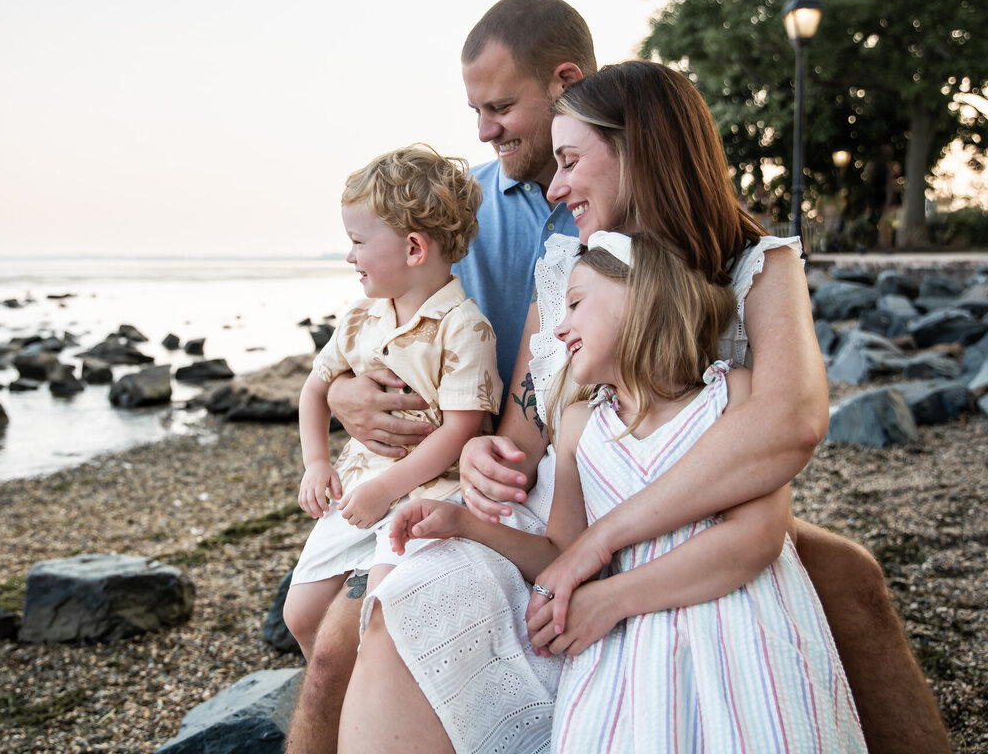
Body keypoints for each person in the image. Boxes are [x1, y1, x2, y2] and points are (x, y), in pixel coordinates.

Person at [338, 59, 950, 753]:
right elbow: (527, 431)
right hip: (567, 499)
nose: (557, 184)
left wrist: (600, 545)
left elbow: (788, 426)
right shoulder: (566, 266)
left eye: (571, 160)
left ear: (637, 151)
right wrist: (481, 452)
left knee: (851, 580)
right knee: (401, 607)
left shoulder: (755, 264)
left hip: (688, 500)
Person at [388, 230, 866, 751]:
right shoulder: (578, 427)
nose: (561, 326)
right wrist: (463, 523)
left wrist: (610, 600)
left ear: (643, 297)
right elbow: (562, 553)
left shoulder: (732, 396)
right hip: (629, 663)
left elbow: (756, 539)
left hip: (742, 631)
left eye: (574, 303)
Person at [282, 0, 593, 754]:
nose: (483, 130)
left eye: (498, 107)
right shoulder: (466, 205)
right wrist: (349, 395)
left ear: (564, 81)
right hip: (454, 460)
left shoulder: (617, 207)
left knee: (344, 644)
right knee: (323, 642)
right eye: (474, 111)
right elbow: (392, 317)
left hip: (512, 469)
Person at [283, 143, 502, 662]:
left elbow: (460, 430)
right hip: (358, 484)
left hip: (434, 494)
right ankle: (337, 702)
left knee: (384, 608)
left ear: (413, 249)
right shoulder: (361, 318)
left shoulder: (465, 327)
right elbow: (315, 388)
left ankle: (374, 707)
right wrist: (316, 464)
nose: (349, 255)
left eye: (358, 241)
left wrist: (387, 490)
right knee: (299, 612)